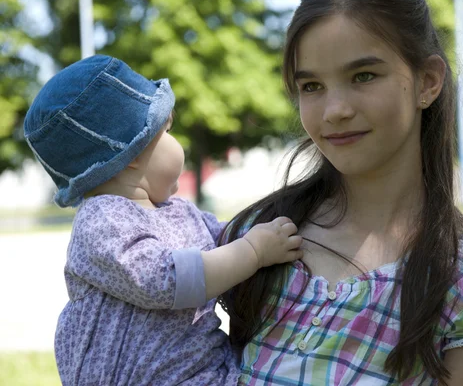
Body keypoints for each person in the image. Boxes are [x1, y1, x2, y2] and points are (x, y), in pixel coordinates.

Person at [218, 0, 463, 385]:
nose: (335, 111)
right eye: (311, 86)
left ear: (427, 82)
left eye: (363, 76)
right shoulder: (258, 237)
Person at [23, 55, 303, 385]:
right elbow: (163, 280)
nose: (178, 142)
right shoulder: (102, 219)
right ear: (130, 153)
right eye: (167, 130)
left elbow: (228, 237)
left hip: (203, 372)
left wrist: (264, 229)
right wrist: (254, 252)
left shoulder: (178, 211)